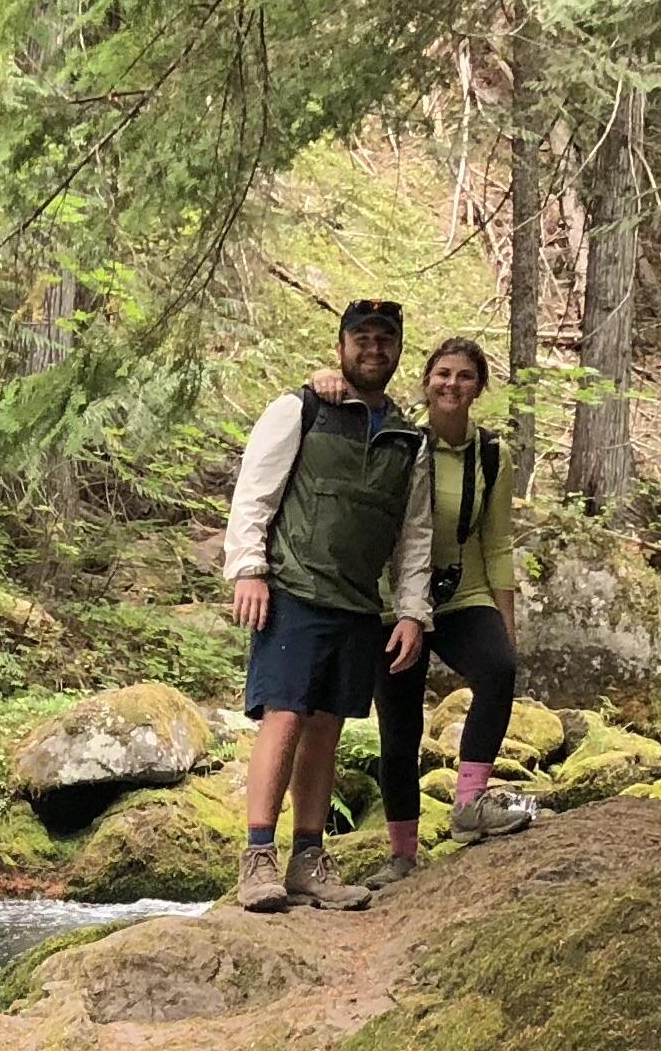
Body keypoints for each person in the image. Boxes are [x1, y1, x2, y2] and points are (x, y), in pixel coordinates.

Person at [217, 300, 429, 911]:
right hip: (293, 592)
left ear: (396, 352)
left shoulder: (407, 440)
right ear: (341, 347)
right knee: (283, 717)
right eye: (361, 338)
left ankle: (308, 860)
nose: (373, 349)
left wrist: (412, 611)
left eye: (384, 340)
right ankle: (258, 858)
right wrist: (248, 571)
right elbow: (254, 492)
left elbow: (412, 536)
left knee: (326, 731)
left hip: (358, 606)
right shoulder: (300, 409)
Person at [373, 335, 532, 876]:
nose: (452, 385)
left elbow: (497, 542)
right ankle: (402, 855)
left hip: (462, 595)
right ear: (426, 381)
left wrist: (505, 621)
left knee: (500, 668)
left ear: (478, 388)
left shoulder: (492, 454)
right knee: (399, 729)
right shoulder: (403, 445)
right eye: (443, 374)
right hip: (397, 606)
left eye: (465, 376)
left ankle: (470, 804)